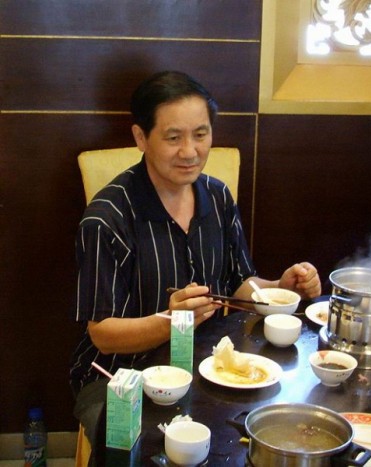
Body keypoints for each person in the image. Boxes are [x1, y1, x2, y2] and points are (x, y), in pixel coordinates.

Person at [69, 70, 321, 458]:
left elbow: (240, 283)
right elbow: (102, 333)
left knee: (267, 431)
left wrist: (280, 288)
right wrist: (171, 321)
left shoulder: (218, 197)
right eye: (173, 138)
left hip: (206, 363)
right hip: (119, 377)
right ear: (141, 137)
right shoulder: (107, 218)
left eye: (200, 134)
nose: (190, 151)